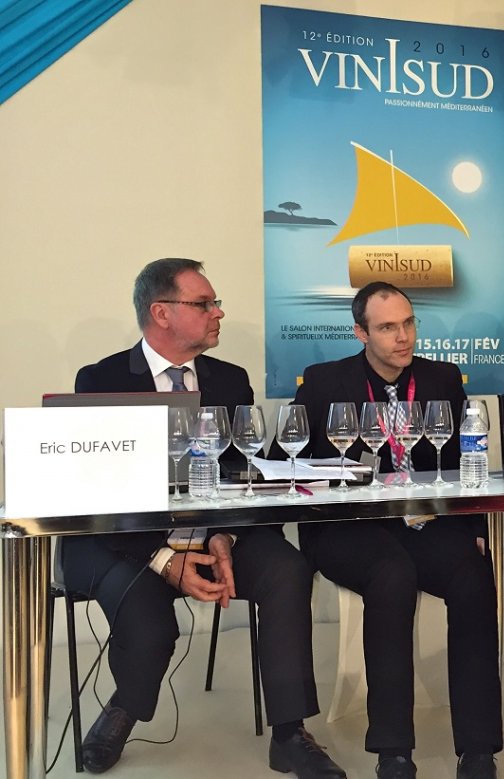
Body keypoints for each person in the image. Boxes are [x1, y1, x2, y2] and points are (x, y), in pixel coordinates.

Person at [66, 258, 345, 777]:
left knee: (287, 569)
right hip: (128, 540)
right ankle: (125, 707)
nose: (218, 312)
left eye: (215, 303)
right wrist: (164, 559)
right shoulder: (101, 379)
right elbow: (98, 492)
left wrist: (225, 535)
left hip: (212, 528)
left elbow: (239, 472)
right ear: (161, 313)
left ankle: (289, 733)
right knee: (149, 617)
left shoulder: (230, 380)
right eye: (204, 303)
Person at [284, 281, 501, 779]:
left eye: (408, 324)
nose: (403, 337)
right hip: (348, 529)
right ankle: (394, 751)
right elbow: (287, 459)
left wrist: (473, 523)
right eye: (387, 328)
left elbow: (465, 457)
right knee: (392, 575)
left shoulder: (442, 378)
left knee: (473, 575)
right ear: (361, 332)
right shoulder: (323, 382)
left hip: (420, 522)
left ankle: (479, 748)